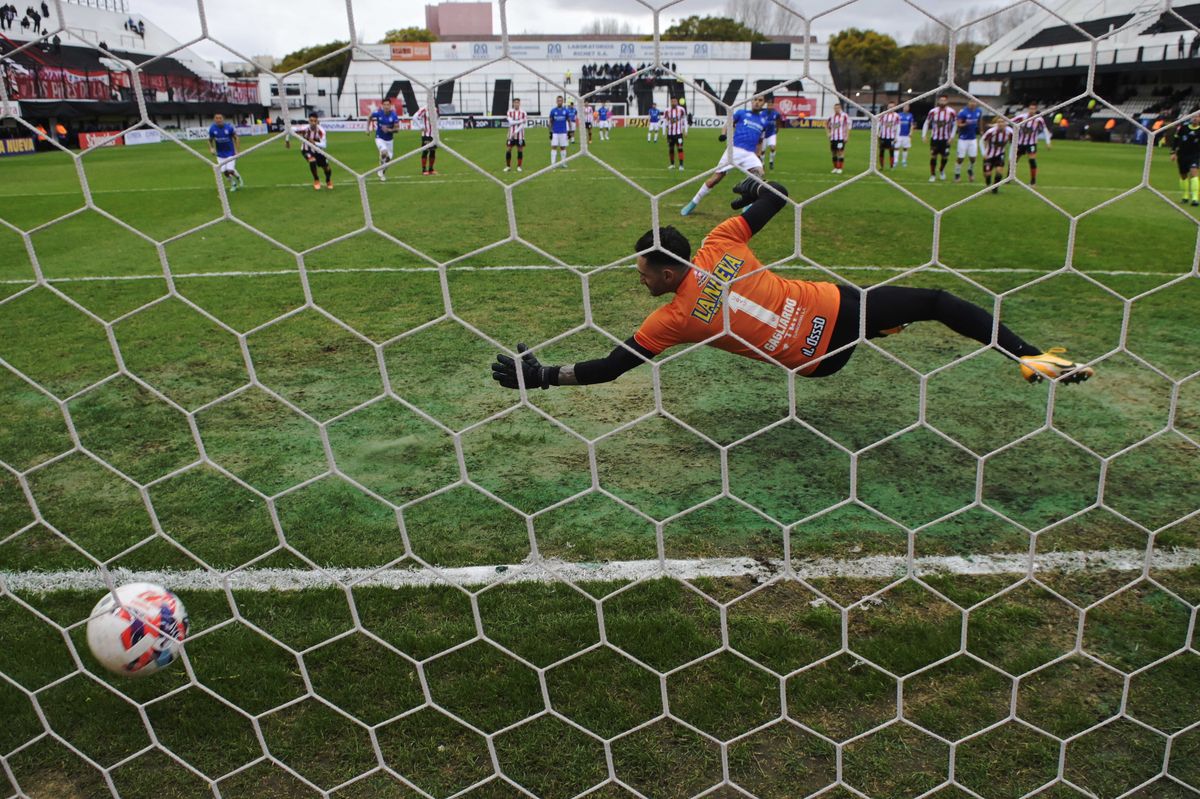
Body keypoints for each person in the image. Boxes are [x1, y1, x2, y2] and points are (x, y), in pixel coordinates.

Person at [491, 178, 1094, 393]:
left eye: (642, 271)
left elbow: (608, 368)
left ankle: (1023, 355)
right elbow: (777, 194)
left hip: (817, 358)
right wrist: (752, 194)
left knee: (927, 304)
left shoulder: (670, 320)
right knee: (934, 301)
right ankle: (1029, 356)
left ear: (667, 272)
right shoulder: (722, 243)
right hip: (839, 311)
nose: (638, 278)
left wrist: (541, 377)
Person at [680, 95, 766, 215]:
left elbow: (760, 141)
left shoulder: (763, 121)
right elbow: (727, 124)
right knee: (715, 179)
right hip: (734, 150)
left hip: (750, 154)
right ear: (751, 102)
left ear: (764, 103)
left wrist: (758, 155)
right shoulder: (741, 113)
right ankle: (693, 203)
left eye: (760, 100)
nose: (757, 102)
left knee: (759, 174)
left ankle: (748, 203)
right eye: (755, 100)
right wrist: (724, 134)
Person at [286, 111, 332, 190]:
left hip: (318, 151)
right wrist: (287, 140)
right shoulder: (304, 128)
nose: (313, 123)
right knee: (312, 160)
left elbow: (324, 145)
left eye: (315, 121)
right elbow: (290, 130)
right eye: (311, 120)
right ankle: (316, 180)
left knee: (327, 168)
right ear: (309, 121)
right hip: (306, 149)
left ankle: (328, 180)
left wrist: (314, 142)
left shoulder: (321, 131)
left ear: (317, 121)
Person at [1010, 102, 1052, 185]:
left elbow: (1045, 130)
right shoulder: (1022, 117)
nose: (1032, 110)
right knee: (1014, 160)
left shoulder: (1039, 119)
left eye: (1033, 109)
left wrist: (1048, 142)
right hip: (1020, 143)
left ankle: (1033, 182)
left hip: (1031, 143)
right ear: (1028, 109)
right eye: (1030, 109)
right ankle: (1008, 177)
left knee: (1032, 160)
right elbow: (1009, 121)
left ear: (1036, 110)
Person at [922, 93, 957, 182]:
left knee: (945, 157)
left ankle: (941, 170)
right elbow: (927, 123)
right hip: (935, 139)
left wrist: (952, 137)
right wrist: (924, 135)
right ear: (938, 101)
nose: (942, 102)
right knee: (933, 156)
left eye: (944, 100)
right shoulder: (933, 112)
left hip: (946, 139)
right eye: (941, 100)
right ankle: (933, 174)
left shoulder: (951, 112)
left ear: (947, 101)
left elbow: (955, 124)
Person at [366, 97, 399, 182]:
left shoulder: (394, 115)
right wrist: (368, 128)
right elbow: (369, 116)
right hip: (379, 138)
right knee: (384, 152)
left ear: (390, 105)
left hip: (389, 140)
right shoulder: (378, 113)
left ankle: (381, 172)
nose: (386, 106)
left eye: (388, 105)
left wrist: (389, 130)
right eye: (384, 104)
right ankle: (381, 163)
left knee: (388, 159)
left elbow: (397, 130)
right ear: (382, 105)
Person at [207, 113, 242, 192]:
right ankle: (233, 184)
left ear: (223, 119)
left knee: (230, 170)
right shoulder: (212, 129)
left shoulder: (229, 127)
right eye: (216, 118)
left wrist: (237, 150)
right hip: (220, 154)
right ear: (214, 119)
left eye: (220, 118)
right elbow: (209, 140)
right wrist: (211, 148)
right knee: (224, 171)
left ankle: (238, 178)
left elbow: (236, 138)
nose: (218, 120)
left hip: (230, 153)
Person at [1170, 116, 1200, 207]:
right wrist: (1173, 152)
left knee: (1194, 173)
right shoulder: (1183, 128)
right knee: (1183, 176)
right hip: (1182, 155)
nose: (1195, 118)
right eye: (1194, 117)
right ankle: (1185, 196)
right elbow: (1176, 140)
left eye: (1198, 117)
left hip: (1195, 155)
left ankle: (1195, 198)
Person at [980, 116, 1013, 194]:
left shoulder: (1009, 132)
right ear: (996, 123)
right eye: (999, 122)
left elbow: (1013, 143)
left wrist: (1010, 156)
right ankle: (988, 185)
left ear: (1005, 123)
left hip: (1000, 154)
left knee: (999, 171)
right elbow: (982, 141)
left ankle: (995, 188)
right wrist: (983, 153)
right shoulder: (991, 131)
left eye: (1002, 122)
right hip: (989, 155)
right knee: (987, 174)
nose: (1001, 124)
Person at [954, 98, 983, 182]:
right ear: (968, 103)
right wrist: (965, 124)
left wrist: (981, 131)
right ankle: (957, 174)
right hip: (963, 139)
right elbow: (958, 124)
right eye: (971, 102)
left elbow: (980, 121)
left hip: (973, 138)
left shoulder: (978, 111)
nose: (973, 104)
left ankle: (970, 170)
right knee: (960, 158)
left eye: (974, 102)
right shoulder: (963, 112)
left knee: (973, 158)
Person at [412, 105, 437, 175]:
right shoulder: (424, 109)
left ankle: (431, 169)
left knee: (433, 151)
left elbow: (436, 120)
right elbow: (414, 117)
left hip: (433, 135)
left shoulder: (435, 109)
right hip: (426, 134)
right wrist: (420, 126)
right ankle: (424, 170)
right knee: (425, 151)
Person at [664, 95, 687, 170]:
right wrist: (664, 132)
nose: (673, 102)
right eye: (672, 101)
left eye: (675, 101)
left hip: (679, 133)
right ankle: (672, 164)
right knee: (671, 149)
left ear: (677, 102)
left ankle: (681, 165)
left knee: (680, 148)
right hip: (670, 134)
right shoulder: (667, 110)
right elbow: (665, 121)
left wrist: (686, 131)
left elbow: (685, 121)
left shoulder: (681, 110)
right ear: (670, 102)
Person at [826, 102, 850, 175]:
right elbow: (827, 124)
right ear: (834, 109)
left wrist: (846, 136)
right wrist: (828, 133)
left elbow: (847, 126)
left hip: (840, 138)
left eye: (838, 108)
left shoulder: (844, 116)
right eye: (835, 108)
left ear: (840, 108)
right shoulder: (831, 116)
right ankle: (835, 168)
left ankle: (840, 168)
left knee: (840, 152)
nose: (836, 109)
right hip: (833, 138)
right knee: (833, 153)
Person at [504, 97, 527, 172]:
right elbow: (511, 122)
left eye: (518, 102)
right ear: (513, 103)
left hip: (520, 134)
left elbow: (523, 124)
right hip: (511, 135)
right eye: (515, 102)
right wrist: (520, 121)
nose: (516, 104)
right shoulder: (509, 112)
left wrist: (516, 131)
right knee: (508, 150)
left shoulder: (523, 112)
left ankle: (519, 166)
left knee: (520, 150)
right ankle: (508, 166)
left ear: (519, 103)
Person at [760, 97, 782, 170]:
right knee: (762, 151)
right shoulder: (763, 113)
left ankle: (771, 161)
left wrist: (777, 129)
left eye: (771, 105)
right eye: (768, 105)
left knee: (772, 148)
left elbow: (778, 121)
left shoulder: (776, 113)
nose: (770, 106)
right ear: (767, 105)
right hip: (763, 134)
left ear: (773, 105)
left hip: (772, 133)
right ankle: (762, 163)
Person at [548, 95, 570, 168]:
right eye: (558, 100)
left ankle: (563, 163)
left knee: (563, 147)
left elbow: (568, 120)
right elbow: (550, 121)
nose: (559, 102)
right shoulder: (553, 111)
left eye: (561, 100)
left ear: (563, 101)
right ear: (556, 101)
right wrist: (550, 131)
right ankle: (553, 163)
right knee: (554, 146)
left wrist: (569, 131)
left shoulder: (566, 111)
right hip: (555, 132)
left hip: (563, 132)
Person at [877, 100, 900, 171]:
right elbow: (878, 124)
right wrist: (877, 133)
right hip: (883, 136)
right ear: (887, 107)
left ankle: (891, 166)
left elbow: (898, 127)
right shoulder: (883, 115)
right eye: (890, 107)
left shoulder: (896, 116)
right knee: (881, 151)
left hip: (891, 137)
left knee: (891, 151)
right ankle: (882, 166)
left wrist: (896, 137)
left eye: (892, 107)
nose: (891, 108)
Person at [896, 103, 914, 167]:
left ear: (909, 108)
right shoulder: (898, 115)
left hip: (906, 135)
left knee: (905, 148)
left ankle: (904, 161)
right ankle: (895, 161)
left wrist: (911, 132)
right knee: (896, 147)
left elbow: (911, 125)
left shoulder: (910, 115)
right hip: (899, 134)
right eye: (905, 107)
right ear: (903, 108)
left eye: (907, 107)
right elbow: (896, 124)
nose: (906, 108)